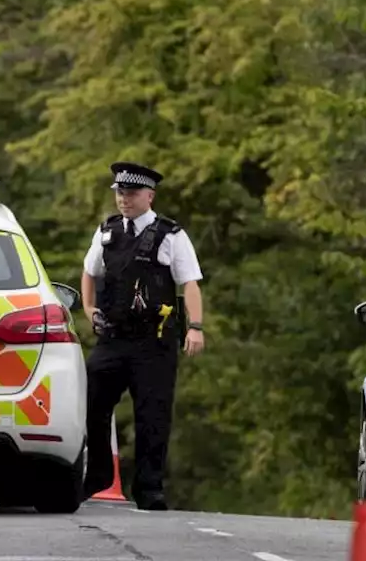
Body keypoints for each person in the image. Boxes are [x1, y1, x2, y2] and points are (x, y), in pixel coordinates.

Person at [79, 161, 204, 511]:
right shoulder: (106, 231)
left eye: (131, 193)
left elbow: (190, 282)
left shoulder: (170, 235)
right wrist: (89, 310)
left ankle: (149, 488)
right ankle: (99, 474)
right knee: (91, 401)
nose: (124, 199)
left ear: (149, 195)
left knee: (153, 414)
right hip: (113, 339)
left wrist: (195, 327)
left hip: (154, 342)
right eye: (120, 192)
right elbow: (90, 272)